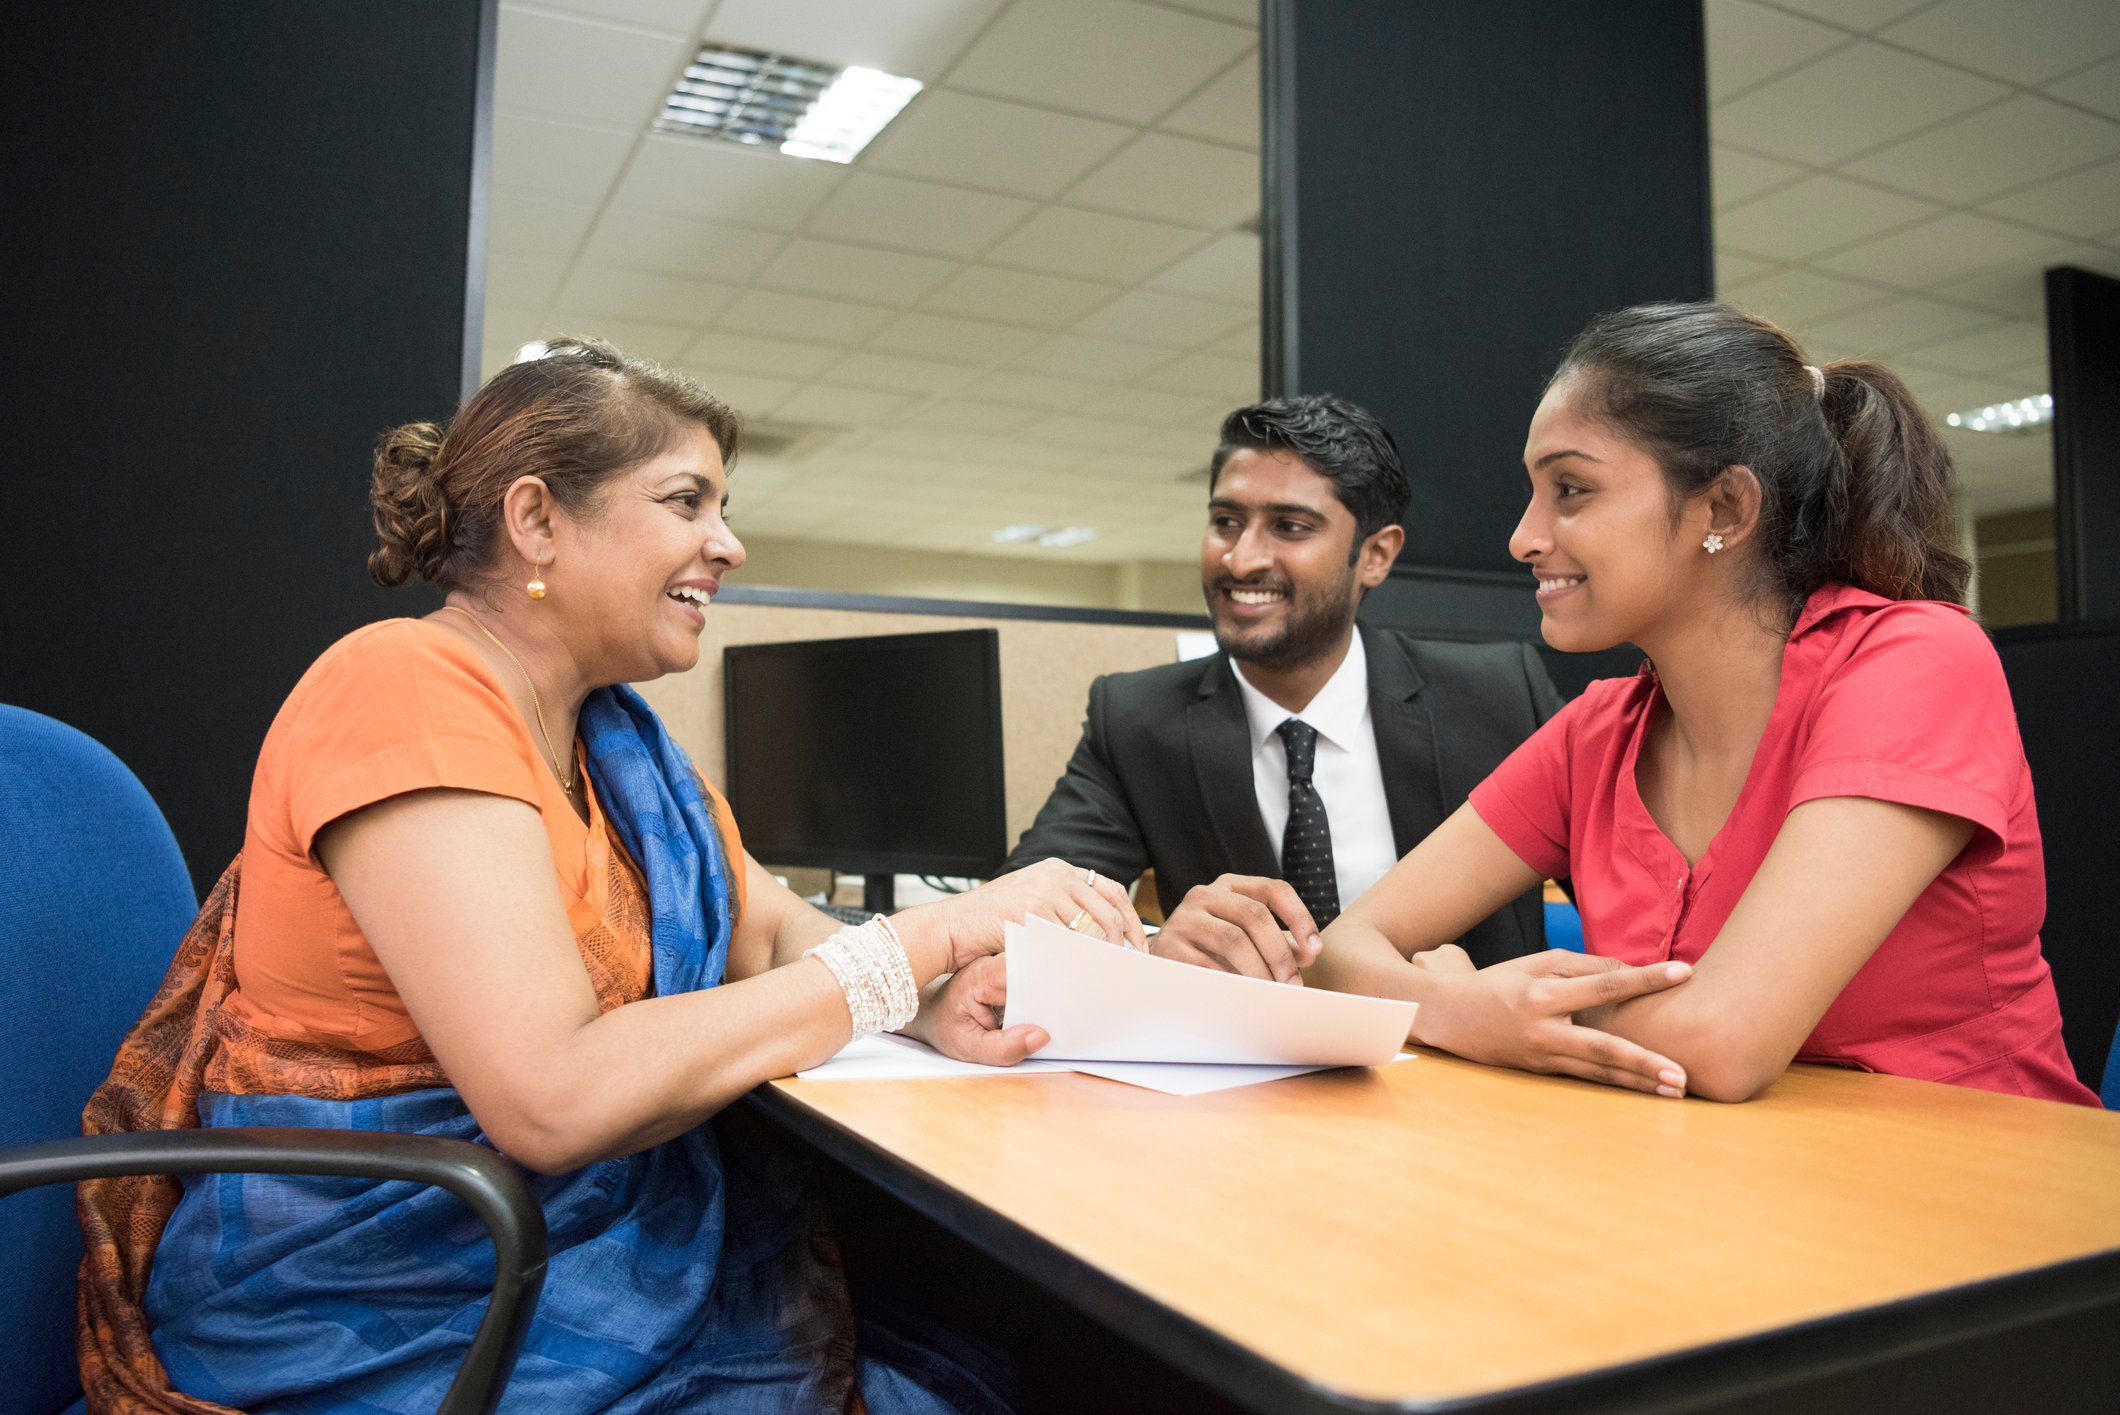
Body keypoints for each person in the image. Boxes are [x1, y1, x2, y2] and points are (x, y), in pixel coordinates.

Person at [76, 338, 1144, 1414]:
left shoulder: (619, 746)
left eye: (722, 505)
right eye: (686, 500)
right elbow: (551, 1095)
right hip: (389, 1300)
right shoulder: (402, 687)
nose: (724, 542)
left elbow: (769, 935)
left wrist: (929, 1000)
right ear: (538, 518)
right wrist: (921, 941)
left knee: (1008, 1352)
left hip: (558, 1255)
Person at [1306, 301, 2099, 1107]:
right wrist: (1459, 1004)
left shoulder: (1917, 661)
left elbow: (1722, 1042)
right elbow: (1342, 951)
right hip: (1719, 1190)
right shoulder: (1597, 733)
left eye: (1571, 489)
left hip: (1981, 1198)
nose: (1523, 536)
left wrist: (1498, 1011)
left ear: (1722, 509)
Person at [1005, 395, 1588, 983]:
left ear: (1376, 555)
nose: (1241, 558)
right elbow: (1017, 919)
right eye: (1225, 522)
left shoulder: (1501, 697)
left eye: (1289, 527)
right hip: (1245, 1067)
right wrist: (1152, 948)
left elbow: (1642, 913)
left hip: (1471, 1062)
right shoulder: (1136, 719)